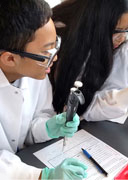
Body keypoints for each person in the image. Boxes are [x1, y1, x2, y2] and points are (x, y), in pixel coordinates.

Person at [0, 0, 87, 179]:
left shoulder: (34, 71)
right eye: (46, 53)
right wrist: (40, 176)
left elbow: (34, 121)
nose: (54, 58)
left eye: (55, 45)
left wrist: (48, 127)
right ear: (10, 59)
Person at [49, 0, 128, 119]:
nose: (122, 38)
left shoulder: (100, 42)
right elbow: (66, 106)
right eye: (117, 31)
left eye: (127, 29)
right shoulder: (58, 42)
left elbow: (87, 102)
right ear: (94, 21)